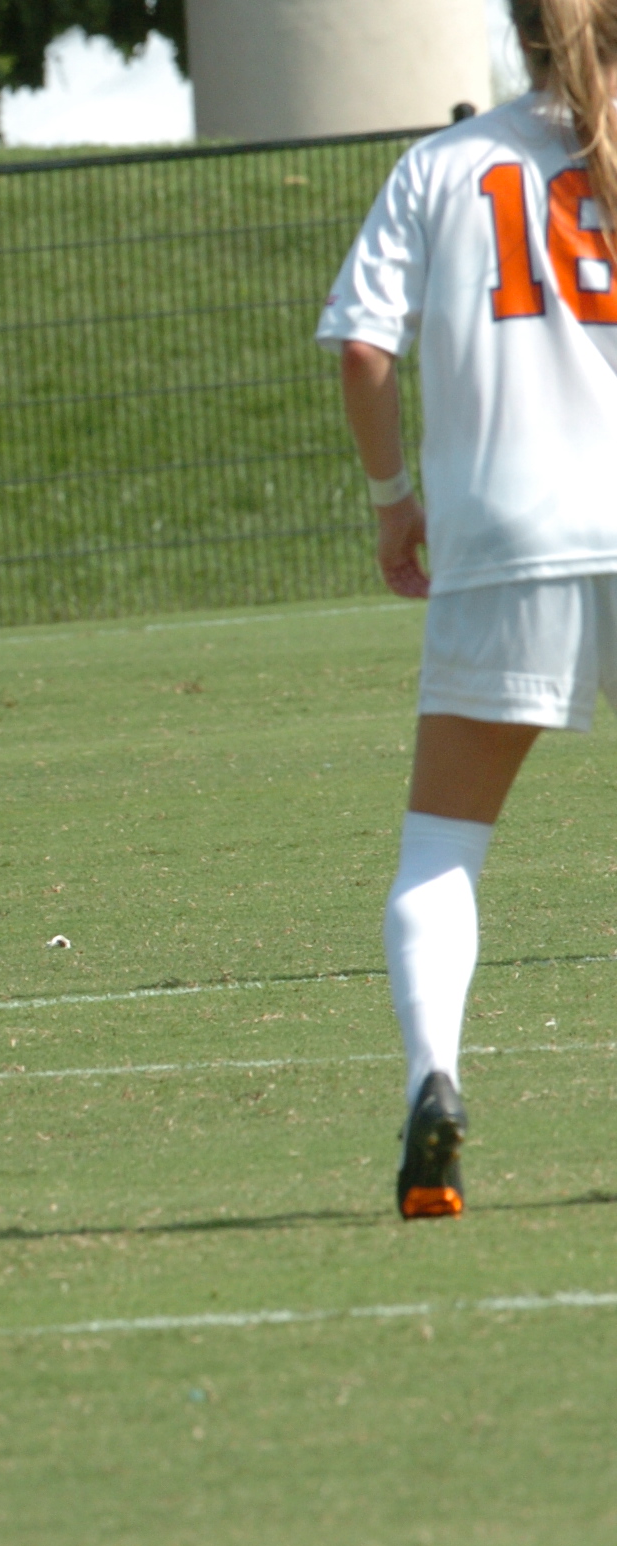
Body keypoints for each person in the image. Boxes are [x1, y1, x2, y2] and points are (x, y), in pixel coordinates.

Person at [320, 0, 617, 1219]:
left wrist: (392, 500)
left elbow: (362, 351)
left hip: (499, 540)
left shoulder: (442, 166)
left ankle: (432, 1082)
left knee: (441, 849)